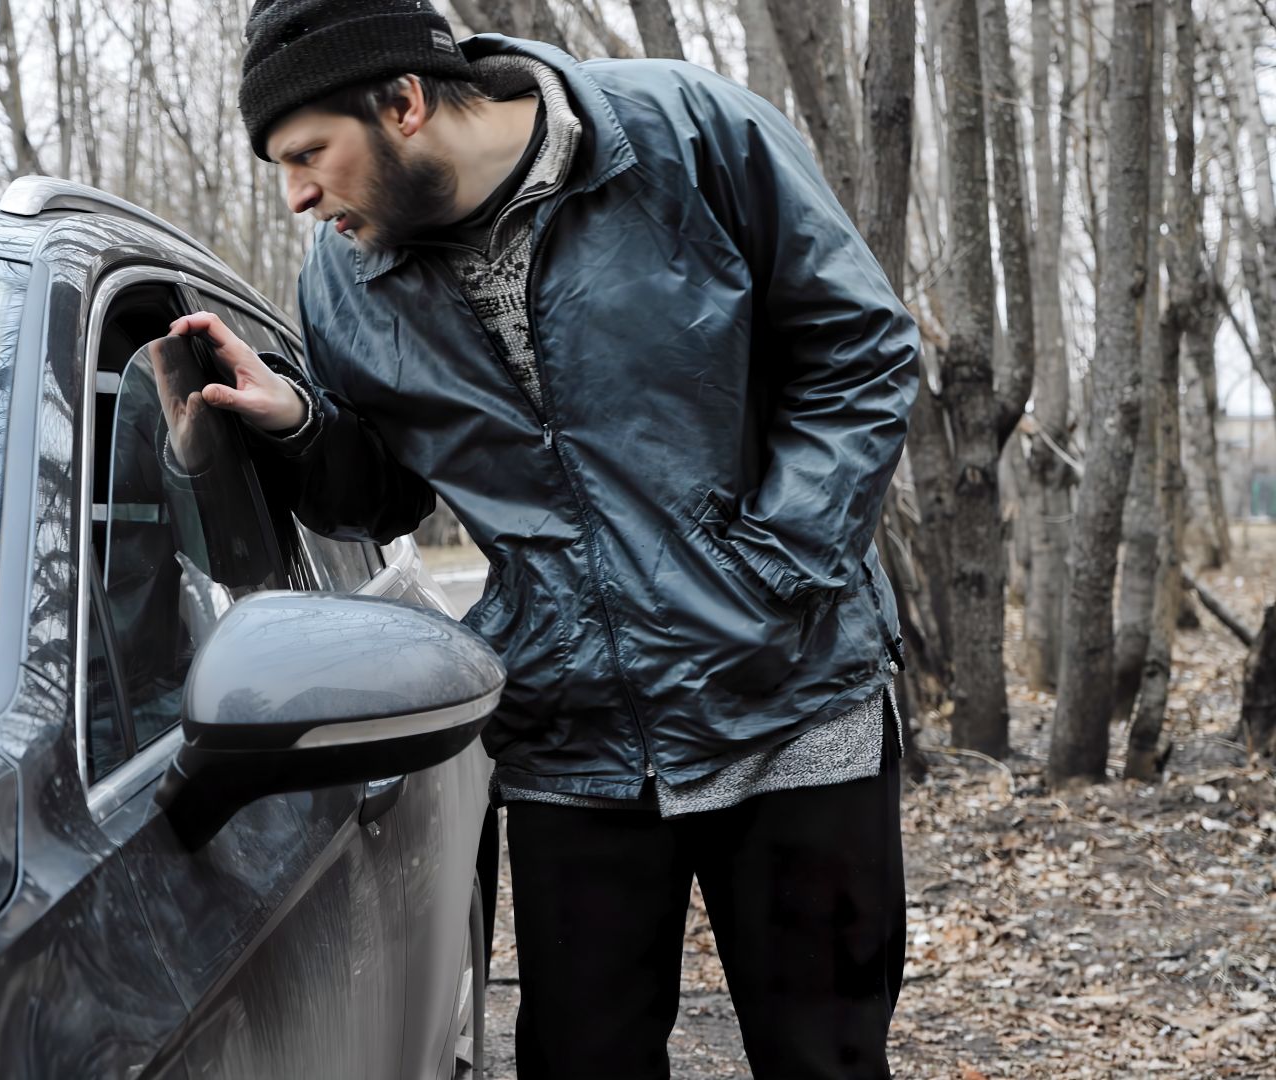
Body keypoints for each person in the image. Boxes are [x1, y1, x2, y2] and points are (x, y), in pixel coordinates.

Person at [169, 1, 919, 1075]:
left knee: (825, 1056)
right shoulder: (344, 276)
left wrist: (774, 572)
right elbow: (381, 494)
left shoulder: (688, 133)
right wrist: (295, 421)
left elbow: (860, 353)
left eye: (308, 155)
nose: (296, 194)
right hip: (577, 732)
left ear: (405, 102)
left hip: (790, 698)